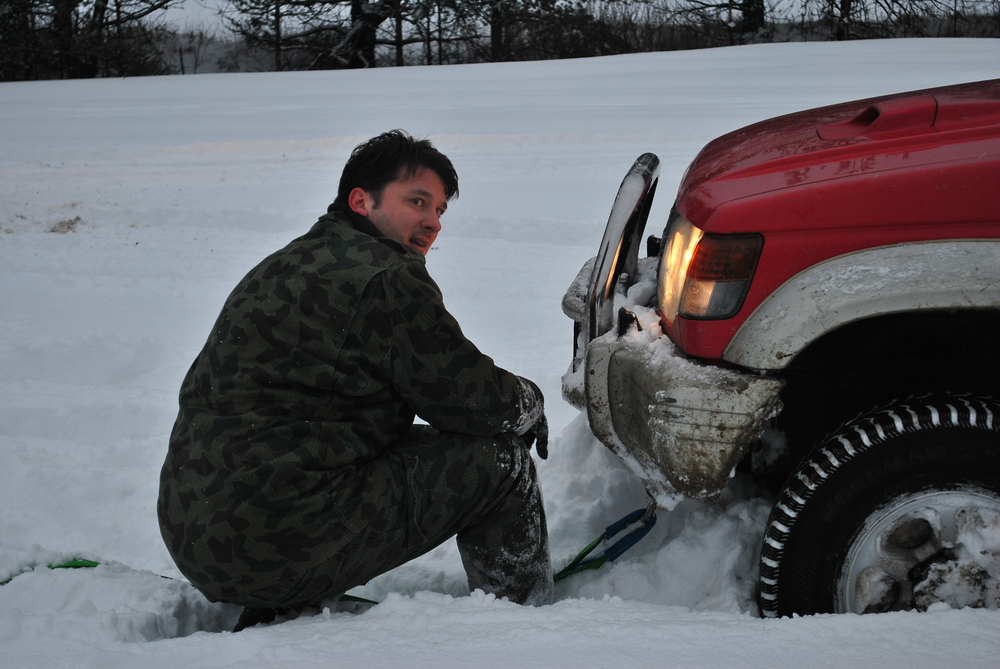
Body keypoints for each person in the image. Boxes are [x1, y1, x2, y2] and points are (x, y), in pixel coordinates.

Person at [157, 130, 553, 632]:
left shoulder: (286, 262)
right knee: (499, 462)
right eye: (417, 202)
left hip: (195, 532)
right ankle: (526, 626)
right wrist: (529, 402)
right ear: (361, 201)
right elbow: (473, 399)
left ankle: (280, 582)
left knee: (427, 443)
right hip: (267, 542)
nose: (432, 222)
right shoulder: (387, 278)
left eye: (440, 211)